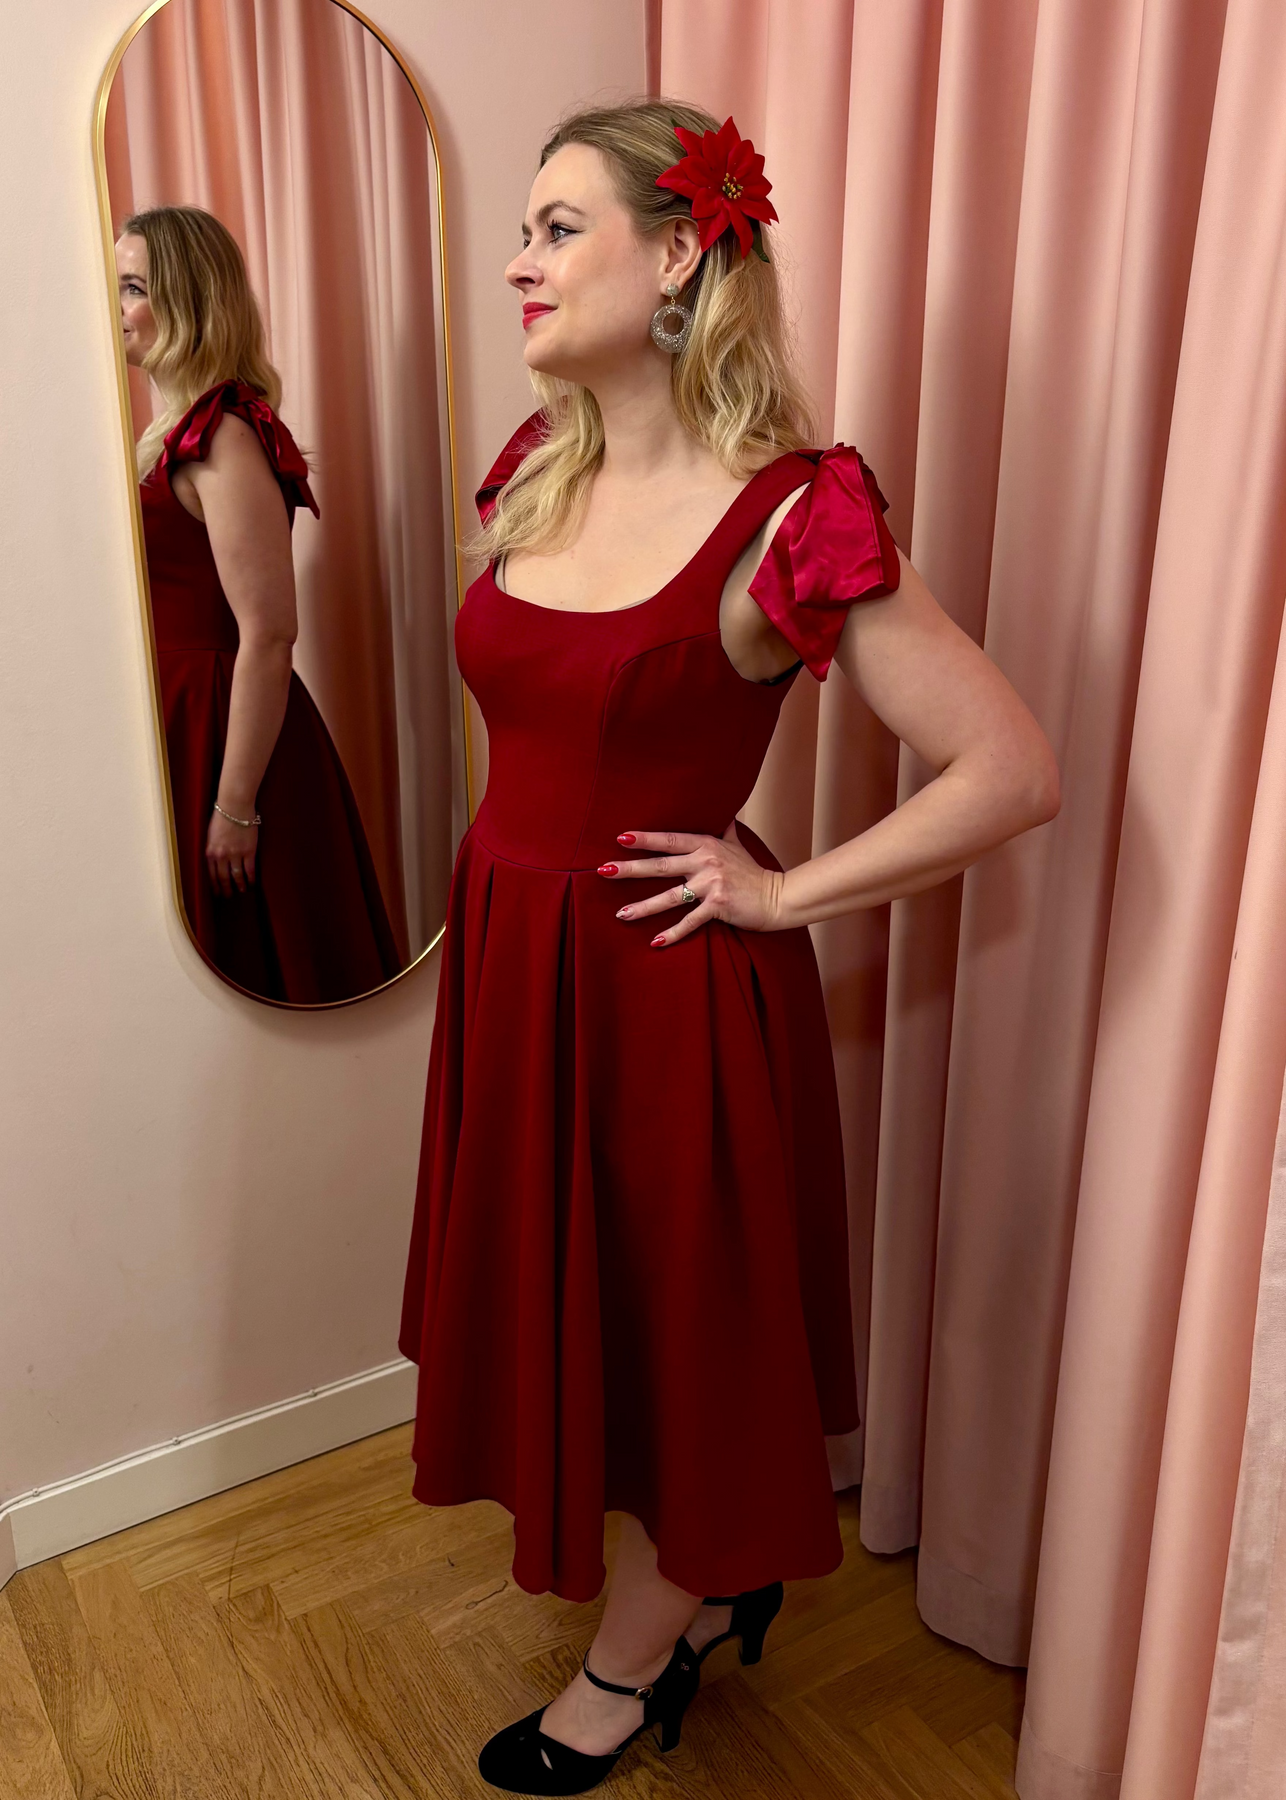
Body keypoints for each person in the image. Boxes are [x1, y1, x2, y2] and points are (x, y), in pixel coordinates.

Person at [398, 102, 1060, 1795]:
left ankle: (643, 1651)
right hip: (521, 974)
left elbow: (1009, 768)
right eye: (523, 230)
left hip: (665, 995)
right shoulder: (536, 468)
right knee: (594, 1318)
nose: (518, 262)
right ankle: (692, 1598)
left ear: (684, 252)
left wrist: (783, 893)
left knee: (678, 1342)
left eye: (557, 229)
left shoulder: (789, 516)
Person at [116, 205, 401, 1003]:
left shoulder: (223, 435)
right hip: (179, 721)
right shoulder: (168, 433)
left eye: (133, 286)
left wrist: (236, 803)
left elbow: (269, 633)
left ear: (185, 299)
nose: (117, 305)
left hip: (224, 728)